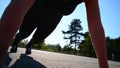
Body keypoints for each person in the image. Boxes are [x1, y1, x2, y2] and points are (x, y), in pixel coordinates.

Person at [0, 0, 109, 68]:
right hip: (35, 10)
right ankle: (16, 41)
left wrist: (104, 65)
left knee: (39, 37)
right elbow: (20, 3)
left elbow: (95, 26)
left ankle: (29, 45)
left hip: (53, 20)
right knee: (24, 32)